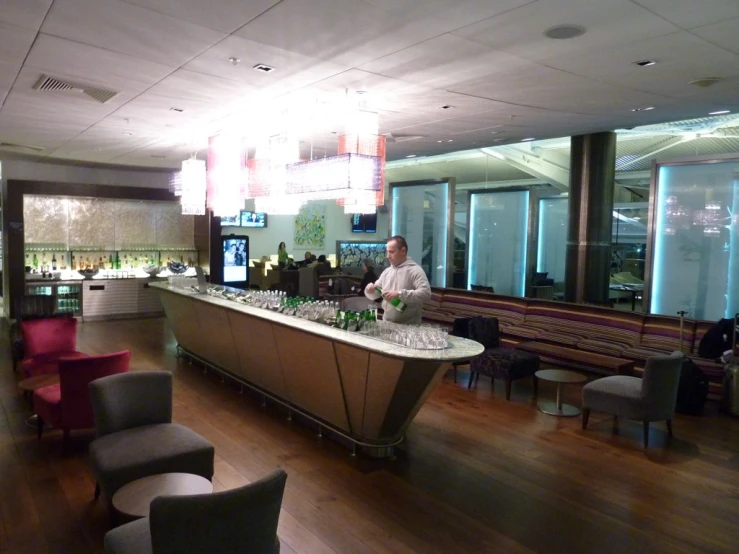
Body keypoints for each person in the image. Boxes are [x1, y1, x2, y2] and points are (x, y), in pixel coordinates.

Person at [365, 235, 431, 324]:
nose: (388, 256)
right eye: (387, 252)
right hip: (387, 324)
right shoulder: (387, 272)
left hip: (409, 327)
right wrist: (369, 290)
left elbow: (426, 294)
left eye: (391, 252)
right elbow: (375, 295)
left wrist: (400, 294)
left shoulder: (415, 270)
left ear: (403, 251)